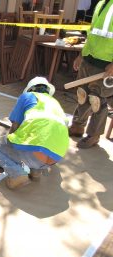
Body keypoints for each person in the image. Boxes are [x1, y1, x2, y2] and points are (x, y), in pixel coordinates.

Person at [0, 77, 69, 189]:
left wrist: (8, 151)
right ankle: (36, 172)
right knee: (40, 141)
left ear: (30, 89)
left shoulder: (27, 96)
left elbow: (15, 127)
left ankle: (18, 175)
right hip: (54, 158)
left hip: (34, 156)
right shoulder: (55, 103)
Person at [69, 0, 113, 148]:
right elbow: (93, 32)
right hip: (89, 58)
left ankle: (94, 135)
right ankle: (78, 126)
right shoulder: (101, 3)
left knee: (97, 100)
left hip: (106, 64)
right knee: (83, 95)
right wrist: (82, 55)